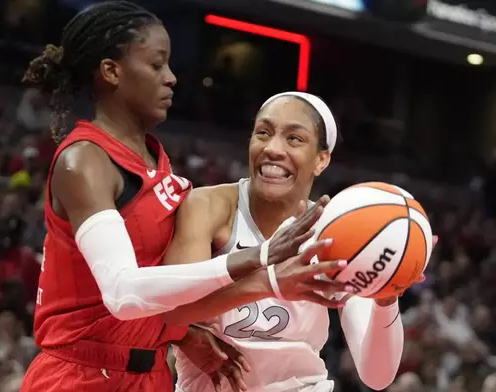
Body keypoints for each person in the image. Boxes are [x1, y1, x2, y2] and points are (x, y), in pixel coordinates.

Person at [20, 3, 346, 391]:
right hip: (80, 373)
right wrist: (260, 260)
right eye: (157, 65)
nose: (171, 78)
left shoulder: (155, 161)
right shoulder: (83, 161)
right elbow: (123, 291)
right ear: (112, 72)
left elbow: (165, 285)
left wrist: (183, 334)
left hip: (151, 374)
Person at [167, 92, 425, 391]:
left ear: (322, 159)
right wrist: (271, 280)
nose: (273, 148)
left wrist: (386, 298)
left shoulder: (339, 232)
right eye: (263, 132)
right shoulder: (207, 206)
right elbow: (171, 309)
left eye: (294, 139)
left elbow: (377, 376)